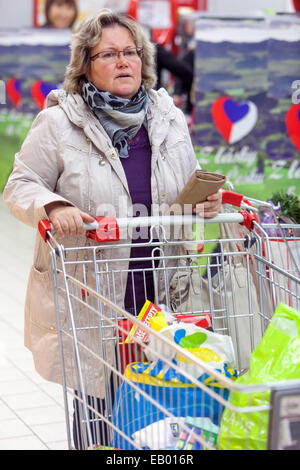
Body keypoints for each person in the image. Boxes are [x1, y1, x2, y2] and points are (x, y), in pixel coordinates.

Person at [3, 9, 222, 449]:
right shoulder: (60, 122)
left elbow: (190, 177)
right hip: (97, 297)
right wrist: (54, 204)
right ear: (85, 65)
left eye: (131, 52)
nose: (124, 62)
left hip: (165, 292)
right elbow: (20, 185)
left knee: (162, 419)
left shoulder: (168, 115)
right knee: (100, 416)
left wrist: (208, 197)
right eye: (109, 54)